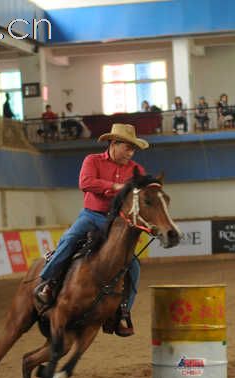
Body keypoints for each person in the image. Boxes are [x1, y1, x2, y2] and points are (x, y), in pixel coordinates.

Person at [34, 124, 149, 337]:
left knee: (133, 264)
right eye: (128, 147)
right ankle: (48, 282)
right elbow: (85, 182)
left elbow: (141, 194)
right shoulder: (92, 160)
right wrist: (115, 188)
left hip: (117, 223)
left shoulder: (136, 170)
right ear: (114, 144)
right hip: (91, 216)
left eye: (134, 149)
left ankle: (124, 311)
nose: (131, 153)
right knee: (69, 240)